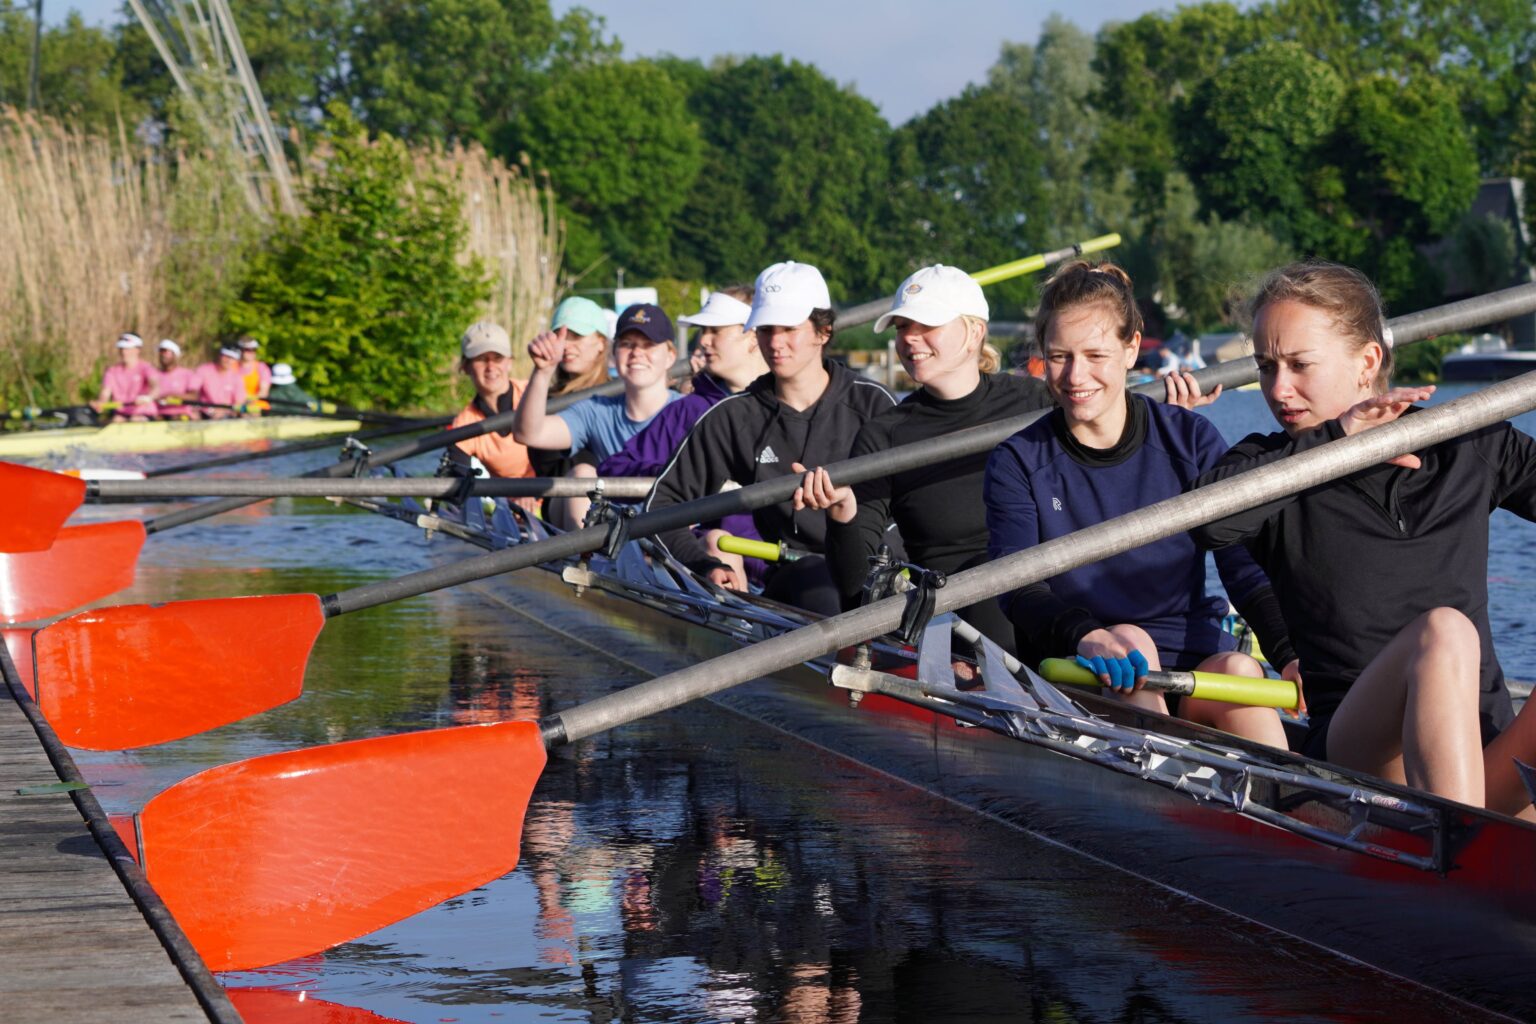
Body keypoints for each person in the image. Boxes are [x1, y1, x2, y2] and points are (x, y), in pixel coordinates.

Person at [1192, 261, 1536, 814]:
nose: (1279, 389)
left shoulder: (1464, 444)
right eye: (1265, 367)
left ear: (1367, 362)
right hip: (1361, 756)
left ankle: (1475, 840)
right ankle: (1460, 859)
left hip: (1484, 745)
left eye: (1299, 365)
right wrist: (1336, 439)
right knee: (1444, 631)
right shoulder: (1266, 463)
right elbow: (1208, 523)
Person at [982, 260, 1289, 747]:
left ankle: (1288, 804)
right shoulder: (1017, 461)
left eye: (1095, 355)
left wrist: (1290, 652)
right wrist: (1086, 634)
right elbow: (1017, 588)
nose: (1076, 376)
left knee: (1241, 668)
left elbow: (1243, 565)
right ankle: (1172, 789)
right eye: (1060, 356)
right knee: (1132, 645)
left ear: (1130, 349)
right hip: (1078, 657)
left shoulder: (1189, 439)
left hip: (1191, 653)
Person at [793, 265, 1053, 651]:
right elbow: (855, 591)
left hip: (1053, 585)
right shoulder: (884, 435)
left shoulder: (1037, 401)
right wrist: (843, 515)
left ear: (974, 332)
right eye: (901, 327)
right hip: (962, 616)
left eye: (925, 324)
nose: (910, 339)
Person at [646, 261, 896, 616]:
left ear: (823, 331)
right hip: (799, 575)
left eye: (788, 328)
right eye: (765, 329)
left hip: (880, 571)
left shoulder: (873, 404)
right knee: (819, 580)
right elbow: (661, 506)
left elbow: (912, 509)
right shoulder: (734, 416)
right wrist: (703, 566)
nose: (775, 343)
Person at [600, 287, 768, 578]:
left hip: (793, 557)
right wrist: (677, 476)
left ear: (752, 337)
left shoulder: (793, 406)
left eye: (715, 330)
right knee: (718, 544)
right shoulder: (689, 410)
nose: (703, 341)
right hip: (722, 559)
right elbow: (613, 471)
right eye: (703, 330)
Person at [513, 303, 681, 528]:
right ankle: (585, 561)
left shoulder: (691, 411)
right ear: (614, 353)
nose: (637, 353)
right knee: (582, 474)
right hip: (612, 535)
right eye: (627, 344)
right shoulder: (595, 410)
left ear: (670, 357)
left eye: (648, 345)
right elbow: (528, 434)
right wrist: (542, 372)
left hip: (674, 532)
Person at [527, 296, 613, 480]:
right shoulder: (543, 402)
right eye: (561, 336)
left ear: (601, 343)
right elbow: (549, 468)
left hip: (621, 501)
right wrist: (541, 372)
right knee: (582, 475)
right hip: (563, 498)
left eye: (577, 336)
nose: (566, 345)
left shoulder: (622, 396)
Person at [445, 321, 534, 481]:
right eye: (481, 359)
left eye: (498, 358)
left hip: (558, 493)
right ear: (465, 367)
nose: (491, 367)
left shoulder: (535, 394)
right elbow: (458, 487)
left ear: (510, 362)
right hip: (512, 502)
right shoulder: (463, 426)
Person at [91, 332, 158, 421]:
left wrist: (148, 397)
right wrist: (101, 403)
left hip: (143, 414)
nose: (123, 352)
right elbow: (105, 392)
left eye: (127, 348)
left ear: (138, 349)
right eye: (121, 348)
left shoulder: (146, 368)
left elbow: (156, 387)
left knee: (135, 420)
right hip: (120, 414)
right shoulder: (112, 371)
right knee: (116, 420)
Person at [192, 347, 252, 418]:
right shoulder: (204, 370)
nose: (229, 361)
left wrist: (225, 411)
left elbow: (239, 401)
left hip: (227, 413)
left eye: (232, 358)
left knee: (248, 415)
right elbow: (193, 393)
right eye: (226, 357)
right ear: (220, 356)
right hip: (205, 412)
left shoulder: (236, 377)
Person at [151, 339, 198, 419]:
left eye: (166, 352)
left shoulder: (187, 374)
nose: (163, 355)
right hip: (158, 415)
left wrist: (173, 396)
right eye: (161, 352)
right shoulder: (153, 374)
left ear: (175, 355)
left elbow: (194, 396)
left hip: (182, 415)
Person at [236, 337, 271, 411]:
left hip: (256, 406)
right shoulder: (231, 366)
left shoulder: (262, 368)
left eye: (254, 350)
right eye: (247, 350)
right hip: (235, 405)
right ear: (240, 350)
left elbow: (263, 393)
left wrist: (247, 401)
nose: (251, 352)